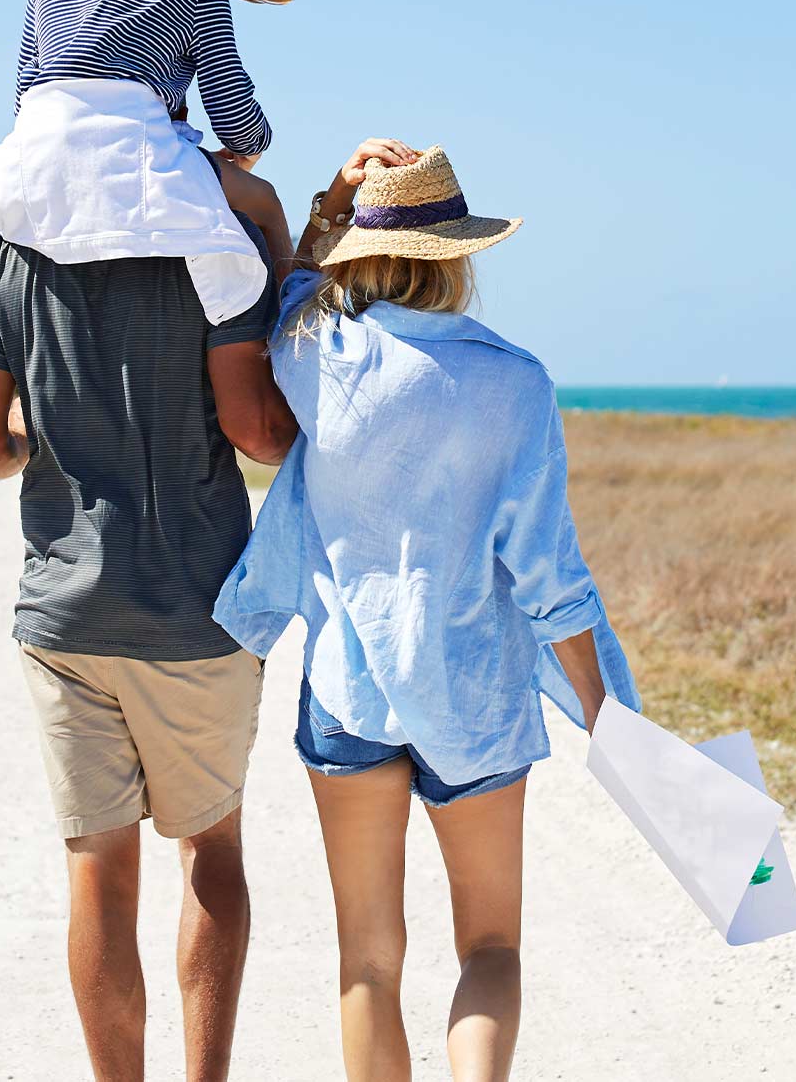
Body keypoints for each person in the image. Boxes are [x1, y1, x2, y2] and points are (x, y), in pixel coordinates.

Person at [215, 140, 639, 1082]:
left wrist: (333, 198)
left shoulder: (313, 347)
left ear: (360, 251)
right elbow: (547, 572)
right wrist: (603, 709)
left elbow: (290, 273)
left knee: (367, 960)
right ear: (461, 254)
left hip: (346, 694)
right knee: (491, 948)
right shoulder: (516, 381)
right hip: (477, 699)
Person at [0, 155, 298, 1081]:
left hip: (65, 616)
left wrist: (38, 444)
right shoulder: (211, 244)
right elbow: (257, 434)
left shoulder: (8, 253)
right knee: (210, 848)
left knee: (98, 866)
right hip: (199, 609)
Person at [0, 0, 293, 326]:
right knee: (266, 205)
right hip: (141, 157)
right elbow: (232, 110)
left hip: (41, 156)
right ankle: (296, 335)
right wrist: (247, 154)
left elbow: (25, 98)